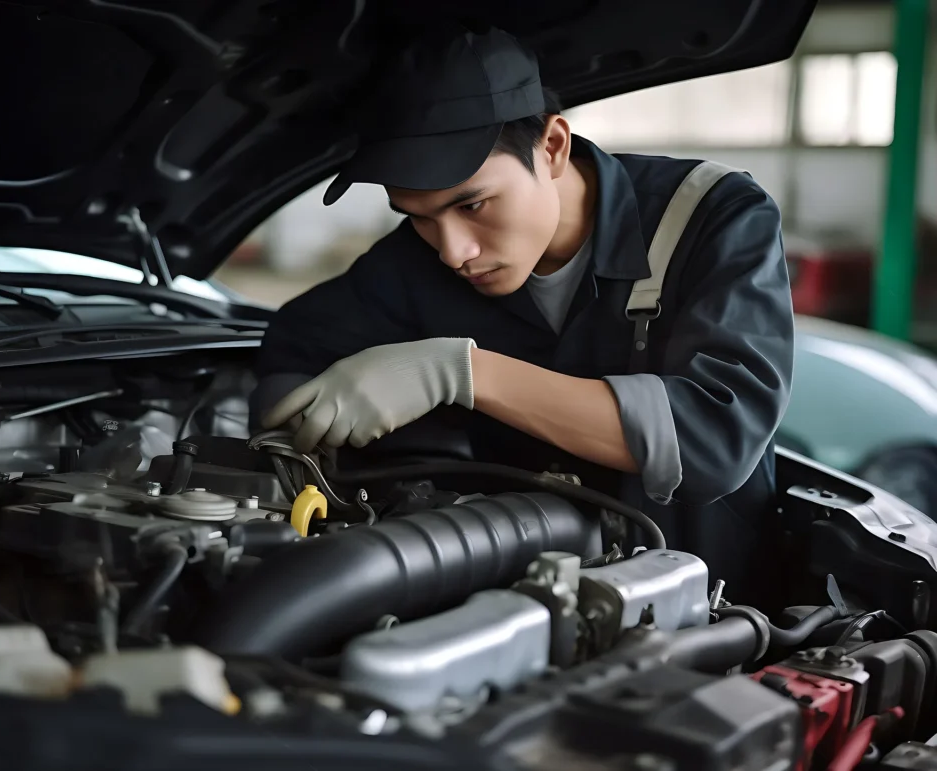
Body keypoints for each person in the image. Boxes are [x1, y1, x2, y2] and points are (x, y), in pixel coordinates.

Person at [252, 24, 794, 607]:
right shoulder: (414, 261)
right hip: (513, 603)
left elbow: (712, 439)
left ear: (553, 147)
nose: (453, 251)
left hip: (710, 614)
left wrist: (459, 374)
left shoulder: (709, 218)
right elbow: (296, 348)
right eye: (418, 216)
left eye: (473, 203)